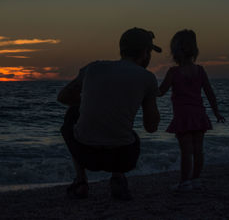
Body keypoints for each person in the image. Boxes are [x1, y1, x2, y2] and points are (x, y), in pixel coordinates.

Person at [57, 27, 161, 200]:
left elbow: (63, 97)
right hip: (123, 158)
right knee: (129, 133)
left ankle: (81, 181)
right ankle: (118, 179)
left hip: (86, 154)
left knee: (72, 114)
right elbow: (151, 127)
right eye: (149, 51)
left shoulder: (93, 68)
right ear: (145, 52)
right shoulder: (147, 78)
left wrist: (91, 102)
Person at [158, 29, 225, 191]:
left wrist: (144, 88)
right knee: (198, 150)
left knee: (186, 151)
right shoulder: (200, 70)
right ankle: (195, 179)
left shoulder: (173, 72)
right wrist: (216, 112)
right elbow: (209, 93)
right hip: (199, 114)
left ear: (175, 51)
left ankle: (184, 182)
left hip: (183, 116)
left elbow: (160, 92)